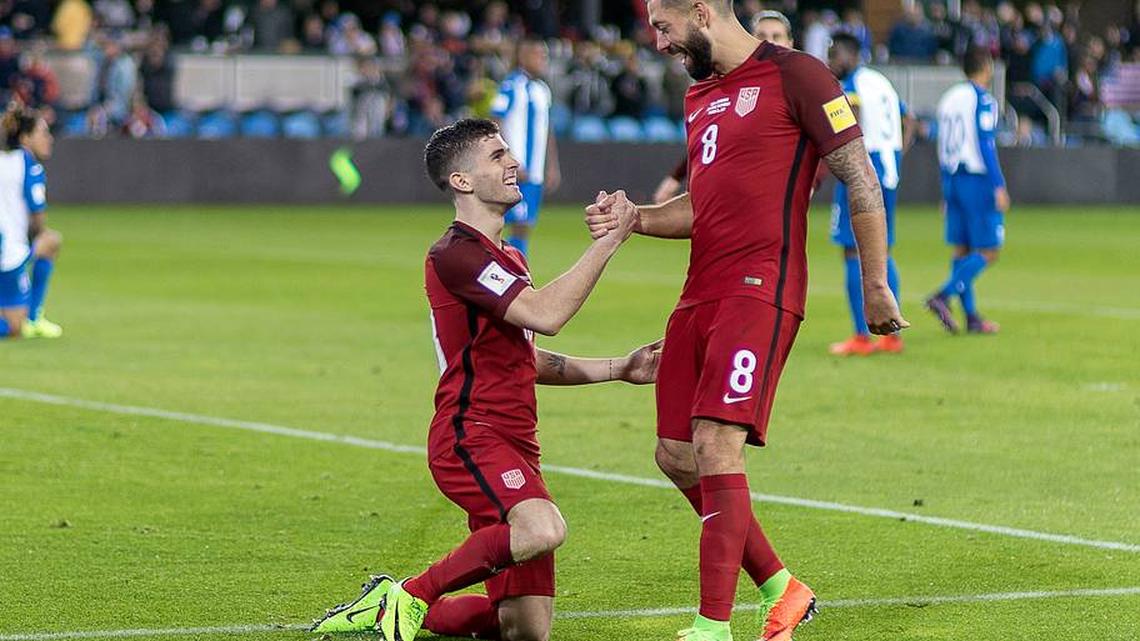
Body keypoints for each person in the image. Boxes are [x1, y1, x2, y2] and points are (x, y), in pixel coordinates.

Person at [588, 2, 907, 640]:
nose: (657, 43)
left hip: (761, 290)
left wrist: (875, 282)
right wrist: (638, 220)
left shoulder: (801, 76)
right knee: (675, 454)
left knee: (714, 444)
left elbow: (860, 178)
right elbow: (704, 206)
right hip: (698, 294)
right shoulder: (700, 94)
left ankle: (713, 627)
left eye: (664, 27)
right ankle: (784, 589)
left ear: (701, 12)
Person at [310, 119, 658, 641]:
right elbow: (546, 314)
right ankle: (407, 596)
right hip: (471, 434)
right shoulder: (455, 254)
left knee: (524, 630)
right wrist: (610, 241)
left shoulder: (510, 258)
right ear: (462, 181)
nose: (513, 161)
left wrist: (619, 368)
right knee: (542, 528)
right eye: (497, 155)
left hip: (519, 444)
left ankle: (393, 615)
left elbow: (528, 357)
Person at [826, 33, 913, 356]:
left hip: (861, 166)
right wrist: (896, 154)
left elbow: (852, 123)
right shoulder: (882, 82)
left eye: (835, 55)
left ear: (851, 54)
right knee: (882, 250)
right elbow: (910, 120)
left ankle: (861, 336)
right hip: (887, 166)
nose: (832, 61)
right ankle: (892, 334)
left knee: (853, 251)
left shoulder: (852, 86)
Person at [652, 10, 794, 205]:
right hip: (730, 202)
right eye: (761, 36)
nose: (769, 42)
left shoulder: (799, 86)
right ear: (750, 40)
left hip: (772, 204)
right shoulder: (729, 82)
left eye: (776, 36)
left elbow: (828, 142)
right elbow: (711, 138)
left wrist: (812, 183)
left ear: (790, 43)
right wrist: (676, 177)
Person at [926, 47, 1007, 334]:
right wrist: (998, 184)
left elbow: (941, 144)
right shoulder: (982, 99)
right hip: (976, 178)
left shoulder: (949, 99)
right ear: (986, 67)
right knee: (989, 250)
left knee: (962, 249)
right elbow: (986, 143)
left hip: (953, 178)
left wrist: (945, 190)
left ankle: (972, 317)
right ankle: (943, 295)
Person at [490, 39, 561, 258]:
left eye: (545, 55)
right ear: (523, 57)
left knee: (525, 225)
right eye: (538, 54)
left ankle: (511, 269)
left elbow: (546, 130)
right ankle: (507, 270)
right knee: (514, 223)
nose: (543, 60)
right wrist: (507, 158)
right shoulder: (511, 85)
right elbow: (495, 121)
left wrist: (552, 166)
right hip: (515, 170)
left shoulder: (542, 90)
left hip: (535, 172)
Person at [0, 104, 62, 340]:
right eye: (43, 133)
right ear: (26, 137)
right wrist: (28, 248)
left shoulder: (5, 159)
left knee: (50, 241)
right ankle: (33, 318)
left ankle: (32, 316)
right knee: (14, 328)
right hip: (9, 253)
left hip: (6, 246)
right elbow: (37, 219)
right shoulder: (29, 165)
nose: (49, 139)